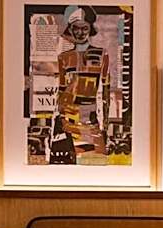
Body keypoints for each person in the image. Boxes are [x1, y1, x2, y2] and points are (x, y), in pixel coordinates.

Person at [50, 5, 110, 164]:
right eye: (76, 28)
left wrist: (105, 120)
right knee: (68, 161)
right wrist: (59, 117)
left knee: (96, 160)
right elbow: (61, 88)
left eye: (84, 28)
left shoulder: (102, 55)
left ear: (90, 29)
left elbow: (105, 88)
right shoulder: (64, 57)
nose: (80, 32)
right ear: (70, 29)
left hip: (91, 116)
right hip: (68, 115)